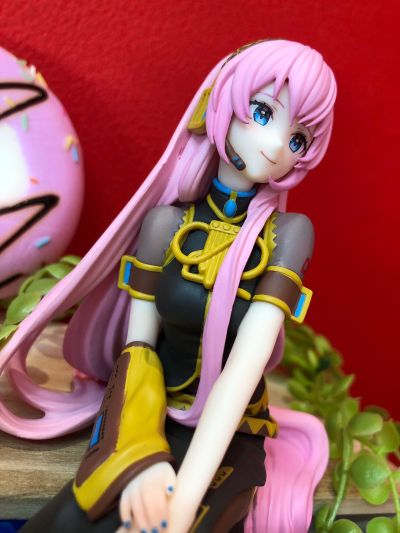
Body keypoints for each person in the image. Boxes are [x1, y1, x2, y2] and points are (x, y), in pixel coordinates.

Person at [0, 39, 337, 532]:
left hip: (228, 438)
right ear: (222, 104)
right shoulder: (165, 224)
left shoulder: (288, 235)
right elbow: (138, 350)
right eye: (263, 113)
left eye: (298, 139)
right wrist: (140, 455)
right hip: (149, 414)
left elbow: (242, 371)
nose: (274, 145)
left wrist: (184, 499)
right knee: (69, 520)